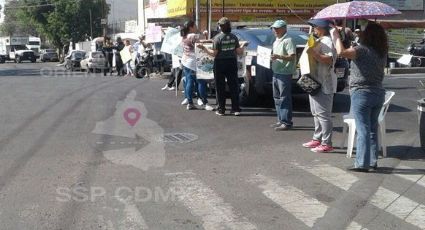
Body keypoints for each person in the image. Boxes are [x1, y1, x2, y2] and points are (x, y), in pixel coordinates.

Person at [332, 21, 388, 172]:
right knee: (371, 129)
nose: (359, 33)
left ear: (367, 35)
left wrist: (336, 37)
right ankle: (371, 161)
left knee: (362, 128)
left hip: (362, 93)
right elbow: (350, 50)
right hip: (378, 93)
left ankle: (361, 163)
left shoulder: (362, 50)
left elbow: (341, 53)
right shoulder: (381, 52)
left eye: (362, 31)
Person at [198, 17, 247, 116]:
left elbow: (213, 53)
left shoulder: (218, 38)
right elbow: (239, 51)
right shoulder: (234, 37)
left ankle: (221, 109)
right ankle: (235, 109)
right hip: (232, 62)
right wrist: (243, 45)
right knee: (234, 86)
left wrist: (203, 48)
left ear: (221, 27)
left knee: (220, 87)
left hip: (220, 63)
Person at [302, 19, 337, 153]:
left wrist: (313, 53)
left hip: (324, 82)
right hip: (315, 80)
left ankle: (327, 142)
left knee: (323, 114)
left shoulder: (327, 41)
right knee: (316, 113)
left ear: (322, 28)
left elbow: (328, 60)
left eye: (315, 26)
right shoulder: (320, 39)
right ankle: (317, 138)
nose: (314, 29)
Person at [180, 20, 214, 111]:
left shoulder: (184, 36)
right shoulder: (192, 36)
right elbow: (202, 43)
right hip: (194, 62)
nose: (196, 27)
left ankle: (190, 102)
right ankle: (205, 102)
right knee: (201, 82)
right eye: (195, 25)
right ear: (191, 27)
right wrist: (205, 34)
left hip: (185, 61)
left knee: (189, 81)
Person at [270, 19, 296, 131]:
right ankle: (280, 120)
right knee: (277, 98)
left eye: (277, 28)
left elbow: (292, 56)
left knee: (284, 98)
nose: (275, 30)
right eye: (274, 28)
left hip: (284, 73)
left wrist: (278, 57)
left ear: (284, 28)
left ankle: (286, 122)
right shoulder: (276, 41)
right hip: (276, 72)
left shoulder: (288, 40)